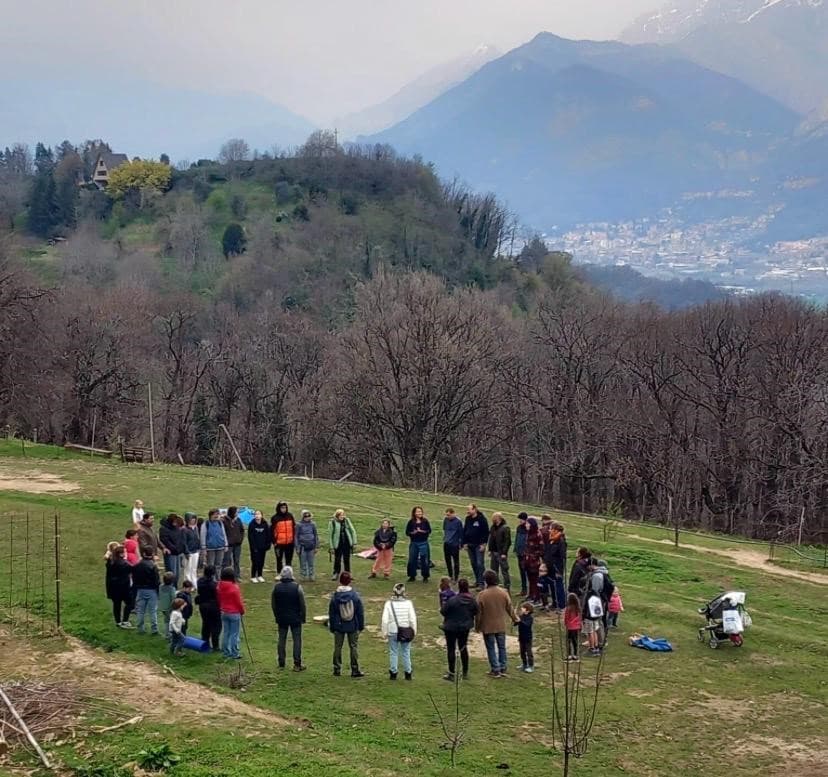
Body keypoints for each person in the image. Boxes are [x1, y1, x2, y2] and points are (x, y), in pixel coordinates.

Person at [475, 570, 518, 678]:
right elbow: (510, 608)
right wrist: (515, 619)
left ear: (486, 581)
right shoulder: (503, 592)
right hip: (501, 625)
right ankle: (503, 667)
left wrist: (477, 626)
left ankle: (495, 669)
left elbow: (478, 613)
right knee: (502, 647)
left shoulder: (482, 595)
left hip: (487, 626)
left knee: (491, 648)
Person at [440, 578, 478, 681]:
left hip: (451, 627)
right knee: (463, 648)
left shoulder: (452, 600)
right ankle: (465, 672)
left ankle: (451, 673)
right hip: (464, 627)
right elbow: (476, 611)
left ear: (459, 587)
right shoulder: (472, 600)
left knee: (451, 649)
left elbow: (443, 611)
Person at [328, 572, 365, 677]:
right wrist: (361, 626)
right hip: (352, 624)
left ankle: (337, 669)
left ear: (340, 581)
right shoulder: (355, 596)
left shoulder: (335, 596)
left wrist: (332, 626)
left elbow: (331, 613)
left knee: (338, 647)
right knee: (353, 647)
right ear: (349, 582)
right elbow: (360, 612)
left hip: (339, 624)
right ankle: (355, 669)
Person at [271, 565, 307, 671]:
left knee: (281, 639)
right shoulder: (297, 587)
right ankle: (297, 664)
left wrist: (276, 615)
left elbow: (273, 604)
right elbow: (302, 604)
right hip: (295, 618)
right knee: (297, 640)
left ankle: (281, 662)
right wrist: (303, 617)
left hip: (282, 618)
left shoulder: (276, 588)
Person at [381, 583, 417, 681]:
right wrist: (414, 630)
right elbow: (412, 619)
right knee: (406, 652)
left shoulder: (389, 604)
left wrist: (384, 632)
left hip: (392, 630)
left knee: (393, 652)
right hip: (405, 630)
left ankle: (393, 672)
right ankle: (408, 672)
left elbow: (385, 619)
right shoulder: (408, 603)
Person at [217, 567, 245, 659]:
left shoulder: (219, 586)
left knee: (226, 632)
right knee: (234, 634)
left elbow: (219, 599)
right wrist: (242, 611)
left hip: (224, 611)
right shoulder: (234, 588)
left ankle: (226, 652)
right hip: (234, 612)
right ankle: (234, 652)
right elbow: (238, 602)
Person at [132, 549, 160, 635]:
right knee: (152, 611)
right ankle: (154, 629)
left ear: (143, 554)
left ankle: (140, 629)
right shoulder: (153, 566)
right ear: (152, 554)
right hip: (151, 590)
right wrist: (158, 591)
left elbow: (134, 578)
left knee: (140, 611)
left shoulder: (137, 565)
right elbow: (156, 580)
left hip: (140, 590)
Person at [105, 544, 133, 629]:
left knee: (116, 605)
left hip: (113, 587)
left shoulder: (111, 561)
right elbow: (132, 569)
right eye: (125, 552)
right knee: (130, 603)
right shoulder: (124, 563)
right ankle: (125, 621)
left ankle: (118, 622)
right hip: (123, 587)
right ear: (121, 554)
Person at [462, 504, 489, 588]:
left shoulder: (482, 519)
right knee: (473, 563)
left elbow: (486, 532)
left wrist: (484, 544)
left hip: (479, 545)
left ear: (474, 510)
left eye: (469, 509)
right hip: (470, 545)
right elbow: (465, 530)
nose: (468, 511)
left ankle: (482, 583)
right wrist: (464, 543)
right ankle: (477, 581)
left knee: (479, 564)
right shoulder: (468, 519)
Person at [196, 565, 221, 651]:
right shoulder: (214, 585)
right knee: (216, 626)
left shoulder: (200, 581)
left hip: (203, 605)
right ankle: (215, 645)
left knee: (206, 624)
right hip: (213, 606)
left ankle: (205, 643)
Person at [544, 522, 568, 610]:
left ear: (556, 530)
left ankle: (561, 605)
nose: (549, 531)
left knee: (558, 586)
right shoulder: (552, 540)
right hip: (550, 566)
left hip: (556, 567)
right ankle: (554, 603)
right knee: (552, 585)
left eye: (551, 529)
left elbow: (562, 556)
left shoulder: (561, 541)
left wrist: (558, 569)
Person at [405, 506, 432, 582]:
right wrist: (413, 533)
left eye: (420, 511)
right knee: (412, 559)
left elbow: (429, 531)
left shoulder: (425, 521)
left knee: (424, 560)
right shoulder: (411, 522)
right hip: (414, 543)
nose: (419, 513)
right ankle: (412, 576)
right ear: (414, 513)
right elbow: (407, 532)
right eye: (418, 512)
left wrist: (422, 531)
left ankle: (425, 576)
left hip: (423, 542)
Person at [329, 509, 356, 580]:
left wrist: (354, 542)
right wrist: (331, 547)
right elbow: (330, 535)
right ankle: (336, 573)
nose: (342, 516)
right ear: (337, 516)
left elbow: (352, 531)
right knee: (337, 559)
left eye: (343, 515)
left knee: (347, 559)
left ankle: (348, 573)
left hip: (346, 543)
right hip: (338, 543)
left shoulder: (347, 521)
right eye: (340, 515)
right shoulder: (332, 522)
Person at [487, 512, 511, 591]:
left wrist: (504, 553)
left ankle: (507, 586)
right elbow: (491, 539)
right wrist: (490, 549)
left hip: (501, 553)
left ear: (498, 518)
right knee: (493, 570)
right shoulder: (493, 527)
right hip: (494, 551)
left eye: (494, 518)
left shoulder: (505, 528)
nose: (492, 519)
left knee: (504, 570)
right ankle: (495, 585)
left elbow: (507, 541)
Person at [158, 513, 184, 585]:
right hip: (171, 553)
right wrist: (174, 548)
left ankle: (175, 587)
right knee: (172, 572)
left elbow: (180, 538)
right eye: (174, 521)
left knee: (178, 573)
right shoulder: (164, 529)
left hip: (178, 552)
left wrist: (180, 548)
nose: (175, 523)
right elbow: (165, 541)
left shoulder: (176, 528)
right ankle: (171, 587)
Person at [270, 502, 296, 573]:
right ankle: (279, 573)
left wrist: (293, 539)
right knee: (279, 559)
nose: (283, 509)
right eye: (282, 508)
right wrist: (274, 542)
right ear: (279, 508)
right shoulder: (275, 518)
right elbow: (271, 531)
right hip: (279, 543)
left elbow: (293, 528)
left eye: (285, 508)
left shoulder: (290, 516)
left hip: (289, 543)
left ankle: (289, 574)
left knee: (289, 560)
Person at [294, 509, 319, 581]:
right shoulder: (299, 525)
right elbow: (296, 537)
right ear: (303, 516)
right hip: (302, 547)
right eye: (305, 516)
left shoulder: (313, 524)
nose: (307, 518)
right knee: (303, 563)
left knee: (311, 562)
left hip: (311, 546)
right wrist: (297, 547)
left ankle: (311, 575)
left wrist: (316, 546)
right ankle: (303, 575)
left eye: (308, 516)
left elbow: (316, 535)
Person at [248, 510, 271, 583]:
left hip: (263, 547)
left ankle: (260, 575)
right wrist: (253, 547)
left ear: (261, 515)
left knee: (261, 561)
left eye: (258, 514)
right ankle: (253, 576)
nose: (257, 515)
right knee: (255, 562)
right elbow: (250, 537)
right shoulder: (252, 524)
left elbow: (268, 535)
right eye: (256, 514)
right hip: (255, 548)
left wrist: (268, 544)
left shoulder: (265, 524)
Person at [524, 517, 544, 602]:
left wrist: (533, 556)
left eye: (527, 524)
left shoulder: (537, 535)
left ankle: (536, 597)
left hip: (534, 562)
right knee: (530, 579)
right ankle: (531, 594)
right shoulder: (528, 533)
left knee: (535, 579)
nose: (526, 525)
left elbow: (541, 549)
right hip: (527, 561)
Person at [222, 507, 244, 580]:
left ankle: (237, 575)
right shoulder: (224, 521)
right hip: (228, 545)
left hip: (237, 544)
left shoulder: (238, 520)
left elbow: (242, 530)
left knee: (236, 560)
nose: (237, 513)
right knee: (227, 561)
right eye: (236, 512)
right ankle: (226, 576)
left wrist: (240, 539)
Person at [442, 507, 463, 582]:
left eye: (449, 515)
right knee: (447, 560)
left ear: (453, 514)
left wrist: (461, 544)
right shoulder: (445, 520)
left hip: (454, 544)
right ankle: (450, 575)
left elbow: (461, 533)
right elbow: (444, 530)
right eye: (446, 515)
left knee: (456, 561)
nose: (447, 516)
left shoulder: (458, 522)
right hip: (446, 543)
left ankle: (456, 577)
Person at [181, 513, 201, 586]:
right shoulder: (184, 529)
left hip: (195, 551)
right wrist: (186, 552)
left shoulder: (195, 528)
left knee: (194, 569)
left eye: (194, 518)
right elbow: (184, 542)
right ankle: (188, 584)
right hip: (188, 552)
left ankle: (194, 583)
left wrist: (198, 548)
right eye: (191, 518)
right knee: (188, 569)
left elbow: (197, 539)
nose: (193, 520)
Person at [514, 512, 529, 597]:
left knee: (527, 572)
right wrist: (516, 549)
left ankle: (530, 590)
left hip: (525, 554)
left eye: (521, 519)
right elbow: (517, 539)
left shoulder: (528, 529)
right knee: (522, 571)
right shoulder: (519, 528)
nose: (520, 521)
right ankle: (523, 589)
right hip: (519, 553)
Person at [517, 603, 535, 673]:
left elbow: (526, 625)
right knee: (522, 651)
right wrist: (515, 619)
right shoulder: (521, 616)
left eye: (523, 608)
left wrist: (520, 621)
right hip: (521, 637)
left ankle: (531, 665)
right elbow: (516, 623)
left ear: (528, 610)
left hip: (527, 638)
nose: (521, 608)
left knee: (528, 652)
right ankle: (524, 664)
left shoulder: (530, 618)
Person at [564, 593, 582, 661]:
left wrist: (566, 624)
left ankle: (569, 655)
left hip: (570, 627)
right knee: (575, 641)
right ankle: (575, 655)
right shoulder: (578, 608)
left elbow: (566, 618)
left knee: (568, 641)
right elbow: (580, 617)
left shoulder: (568, 608)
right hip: (577, 627)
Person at [159, 571, 176, 638]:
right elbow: (173, 598)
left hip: (163, 607)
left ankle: (167, 633)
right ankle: (169, 634)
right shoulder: (172, 589)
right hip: (169, 608)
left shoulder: (160, 586)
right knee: (171, 620)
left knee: (166, 620)